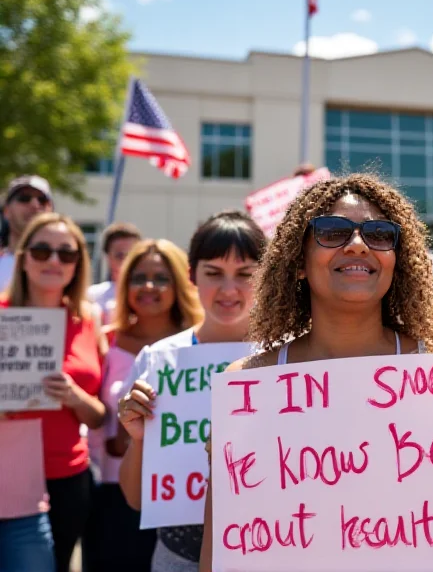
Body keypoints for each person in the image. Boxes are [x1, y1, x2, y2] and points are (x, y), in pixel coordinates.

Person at [195, 174, 433, 570]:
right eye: (332, 231)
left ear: (398, 260)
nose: (358, 244)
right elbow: (221, 550)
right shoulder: (249, 385)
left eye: (378, 234)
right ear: (299, 263)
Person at [117, 210, 265, 571]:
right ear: (191, 275)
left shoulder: (288, 358)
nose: (229, 289)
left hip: (263, 554)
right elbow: (136, 499)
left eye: (245, 275)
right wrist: (139, 438)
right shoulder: (159, 360)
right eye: (214, 273)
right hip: (176, 556)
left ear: (265, 277)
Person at [83, 238, 204, 572]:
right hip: (111, 494)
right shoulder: (105, 338)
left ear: (180, 284)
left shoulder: (201, 343)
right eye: (138, 278)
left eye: (162, 278)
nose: (149, 286)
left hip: (183, 500)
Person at [1, 212, 107, 572]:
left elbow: (100, 416)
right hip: (6, 476)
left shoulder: (88, 320)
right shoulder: (1, 314)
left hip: (68, 477)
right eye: (42, 250)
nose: (54, 261)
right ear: (24, 257)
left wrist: (75, 397)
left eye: (67, 253)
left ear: (78, 263)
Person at [0, 175, 54, 290]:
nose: (35, 205)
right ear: (6, 211)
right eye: (24, 198)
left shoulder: (63, 264)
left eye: (42, 200)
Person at [87, 222, 142, 326]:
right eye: (119, 256)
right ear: (108, 257)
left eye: (132, 255)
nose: (126, 262)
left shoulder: (149, 295)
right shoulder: (92, 296)